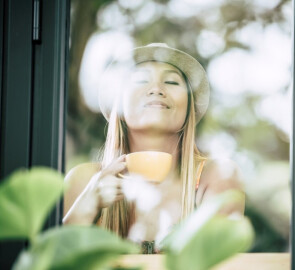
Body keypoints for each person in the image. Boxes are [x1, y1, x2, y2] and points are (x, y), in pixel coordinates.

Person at [63, 43, 245, 253]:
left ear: (189, 110)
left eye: (171, 82)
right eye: (140, 80)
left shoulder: (216, 177)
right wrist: (85, 208)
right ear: (119, 106)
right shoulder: (84, 180)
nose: (157, 89)